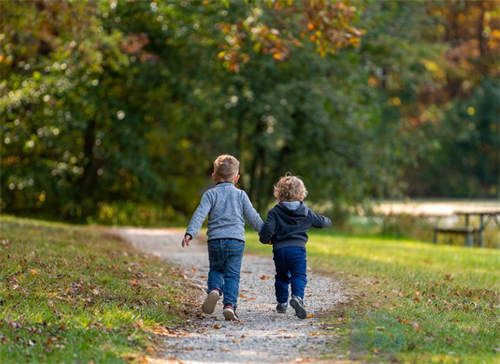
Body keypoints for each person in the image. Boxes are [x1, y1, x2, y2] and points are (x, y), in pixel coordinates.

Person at [182, 154, 263, 320]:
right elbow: (253, 217)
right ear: (237, 177)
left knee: (216, 269)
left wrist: (190, 233)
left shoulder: (210, 195)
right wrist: (266, 233)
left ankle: (215, 290)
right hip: (236, 241)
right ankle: (229, 305)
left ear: (213, 175)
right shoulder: (241, 195)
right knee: (232, 275)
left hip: (215, 240)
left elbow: (199, 215)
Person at [259, 175, 331, 319]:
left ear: (279, 193)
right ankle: (297, 297)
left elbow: (267, 230)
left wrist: (266, 240)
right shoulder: (306, 212)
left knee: (281, 276)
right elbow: (321, 222)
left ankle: (282, 303)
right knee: (299, 275)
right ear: (301, 193)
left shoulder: (275, 211)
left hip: (279, 250)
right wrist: (328, 221)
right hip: (298, 250)